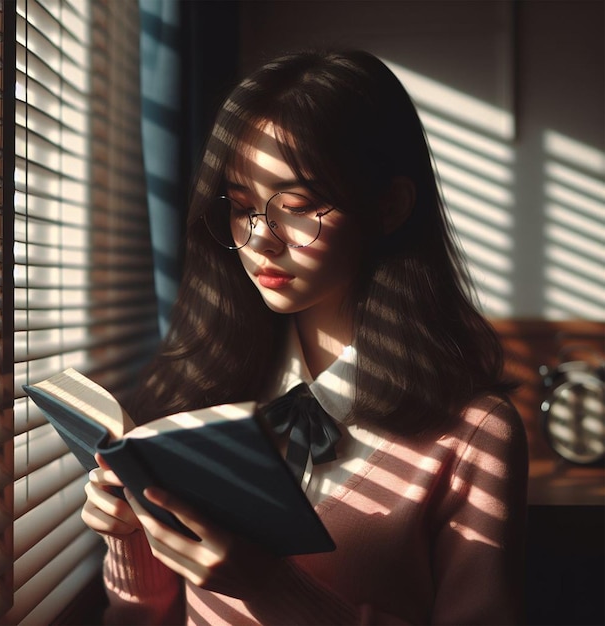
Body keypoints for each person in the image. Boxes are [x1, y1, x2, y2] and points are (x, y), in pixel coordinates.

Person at [82, 49, 529, 625]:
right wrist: (129, 536)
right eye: (241, 208)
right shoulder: (197, 388)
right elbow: (139, 617)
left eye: (297, 206)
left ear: (389, 206)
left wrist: (270, 585)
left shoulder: (472, 433)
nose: (261, 239)